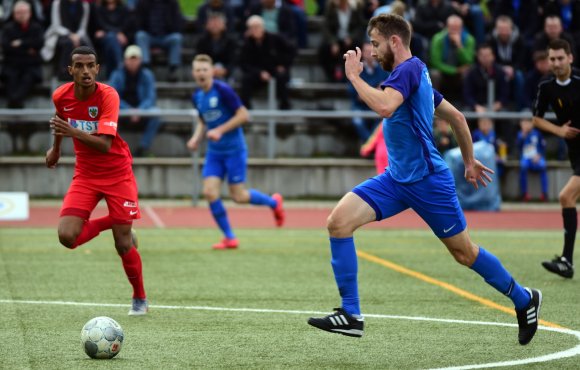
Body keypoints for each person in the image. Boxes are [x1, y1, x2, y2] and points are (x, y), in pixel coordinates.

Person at [307, 14, 541, 346]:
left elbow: (386, 108)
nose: (371, 52)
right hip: (397, 179)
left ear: (394, 41)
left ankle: (524, 299)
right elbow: (457, 118)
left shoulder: (407, 71)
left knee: (464, 253)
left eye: (374, 43)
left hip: (429, 181)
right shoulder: (414, 73)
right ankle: (351, 314)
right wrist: (470, 161)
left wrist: (355, 79)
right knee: (338, 223)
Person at [45, 46, 148, 315]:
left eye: (90, 65)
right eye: (79, 66)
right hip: (87, 175)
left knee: (123, 243)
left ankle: (139, 298)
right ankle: (112, 222)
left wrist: (72, 131)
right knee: (67, 237)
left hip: (117, 172)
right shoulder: (61, 95)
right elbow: (60, 120)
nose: (86, 71)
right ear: (71, 71)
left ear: (98, 69)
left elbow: (104, 144)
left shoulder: (108, 96)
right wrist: (56, 149)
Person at [187, 54, 285, 249]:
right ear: (193, 73)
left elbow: (244, 115)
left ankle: (274, 203)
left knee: (238, 196)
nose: (201, 73)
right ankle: (230, 237)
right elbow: (203, 120)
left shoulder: (223, 90)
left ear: (212, 71)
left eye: (204, 69)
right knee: (209, 192)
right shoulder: (197, 96)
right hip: (214, 153)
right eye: (197, 70)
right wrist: (196, 138)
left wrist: (219, 130)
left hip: (234, 150)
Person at [532, 39, 580, 279]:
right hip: (575, 151)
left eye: (561, 58)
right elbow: (536, 119)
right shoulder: (547, 86)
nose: (557, 63)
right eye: (552, 59)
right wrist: (559, 131)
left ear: (570, 58)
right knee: (568, 197)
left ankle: (567, 261)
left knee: (565, 195)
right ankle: (567, 261)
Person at [109, 45, 162, 157]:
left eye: (135, 58)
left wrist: (139, 111)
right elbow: (112, 97)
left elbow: (151, 97)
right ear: (125, 60)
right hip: (122, 111)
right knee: (107, 115)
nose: (133, 62)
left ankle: (143, 147)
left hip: (141, 112)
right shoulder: (117, 74)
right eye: (130, 59)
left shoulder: (147, 75)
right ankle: (113, 149)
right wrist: (129, 110)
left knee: (156, 113)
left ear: (140, 60)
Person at [238, 15, 295, 110]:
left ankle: (285, 106)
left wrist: (283, 65)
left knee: (282, 77)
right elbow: (244, 64)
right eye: (252, 28)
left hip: (274, 69)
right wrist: (259, 73)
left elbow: (291, 50)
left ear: (263, 27)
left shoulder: (275, 38)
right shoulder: (246, 44)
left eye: (257, 27)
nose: (255, 30)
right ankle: (245, 108)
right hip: (257, 72)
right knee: (246, 79)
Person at [0, 0, 44, 108]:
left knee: (28, 77)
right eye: (19, 13)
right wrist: (28, 48)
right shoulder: (7, 28)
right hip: (12, 64)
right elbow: (6, 46)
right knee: (10, 77)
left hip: (31, 65)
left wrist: (20, 43)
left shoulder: (36, 27)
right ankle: (15, 100)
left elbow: (39, 43)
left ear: (30, 13)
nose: (21, 15)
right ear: (14, 14)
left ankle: (15, 100)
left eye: (24, 12)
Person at [347, 41, 390, 142]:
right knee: (357, 121)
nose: (370, 54)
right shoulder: (356, 69)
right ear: (362, 53)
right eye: (366, 51)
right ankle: (370, 145)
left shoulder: (382, 70)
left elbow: (385, 92)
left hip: (376, 107)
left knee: (382, 121)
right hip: (359, 107)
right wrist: (376, 90)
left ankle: (369, 146)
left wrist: (365, 90)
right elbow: (358, 96)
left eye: (371, 51)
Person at [134, 0, 184, 82]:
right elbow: (138, 23)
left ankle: (173, 69)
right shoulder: (142, 2)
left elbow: (178, 22)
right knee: (140, 36)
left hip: (166, 37)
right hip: (149, 36)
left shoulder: (172, 3)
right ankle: (145, 68)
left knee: (177, 38)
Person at [517, 118, 548, 202]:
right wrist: (522, 136)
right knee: (523, 166)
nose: (526, 125)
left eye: (528, 122)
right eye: (524, 122)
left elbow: (543, 146)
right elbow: (518, 148)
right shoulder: (520, 134)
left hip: (536, 158)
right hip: (526, 159)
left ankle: (544, 194)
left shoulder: (537, 133)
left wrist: (539, 155)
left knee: (543, 165)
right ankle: (524, 194)